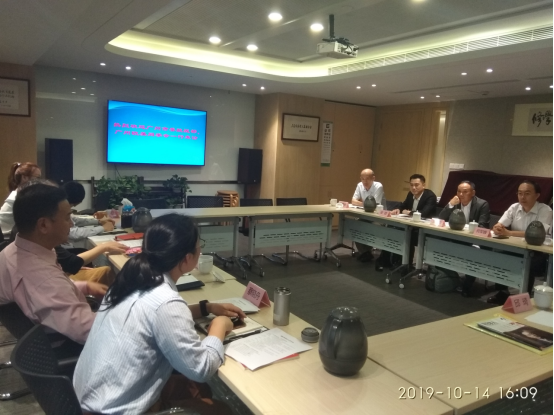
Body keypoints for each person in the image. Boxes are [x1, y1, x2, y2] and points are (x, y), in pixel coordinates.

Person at [74, 213, 244, 414]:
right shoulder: (166, 302)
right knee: (221, 409)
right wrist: (219, 326)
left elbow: (154, 317)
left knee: (197, 389)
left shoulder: (130, 277)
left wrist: (205, 308)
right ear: (187, 258)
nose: (200, 250)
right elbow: (201, 369)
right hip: (115, 410)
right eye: (199, 246)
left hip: (87, 399)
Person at [0, 183, 107, 344]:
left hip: (51, 332)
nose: (71, 224)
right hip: (66, 345)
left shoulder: (16, 250)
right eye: (67, 218)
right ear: (43, 225)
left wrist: (84, 286)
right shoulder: (41, 277)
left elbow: (46, 294)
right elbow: (88, 331)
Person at [488, 180, 552, 304]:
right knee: (499, 257)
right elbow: (500, 223)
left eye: (527, 193)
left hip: (538, 250)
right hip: (516, 247)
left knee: (528, 264)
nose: (522, 197)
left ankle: (524, 297)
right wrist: (498, 227)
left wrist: (509, 233)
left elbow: (537, 234)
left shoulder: (545, 210)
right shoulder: (514, 207)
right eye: (520, 193)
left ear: (537, 195)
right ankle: (502, 293)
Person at [439, 181, 491, 297]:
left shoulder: (482, 204)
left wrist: (464, 228)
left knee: (473, 252)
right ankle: (449, 278)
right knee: (440, 243)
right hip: (457, 237)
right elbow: (441, 218)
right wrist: (450, 205)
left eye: (465, 192)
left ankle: (467, 285)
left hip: (474, 239)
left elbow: (483, 226)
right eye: (459, 191)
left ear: (473, 193)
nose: (461, 194)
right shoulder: (455, 202)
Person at [351, 169, 387, 262]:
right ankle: (365, 252)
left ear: (373, 178)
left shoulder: (378, 186)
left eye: (367, 178)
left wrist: (361, 203)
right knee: (355, 226)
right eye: (362, 179)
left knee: (372, 227)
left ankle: (377, 253)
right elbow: (353, 201)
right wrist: (365, 204)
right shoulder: (360, 185)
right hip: (366, 216)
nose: (364, 181)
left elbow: (373, 205)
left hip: (379, 217)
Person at [0, 162, 41, 235]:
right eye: (37, 178)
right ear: (24, 177)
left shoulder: (19, 194)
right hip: (7, 238)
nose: (40, 182)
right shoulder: (20, 198)